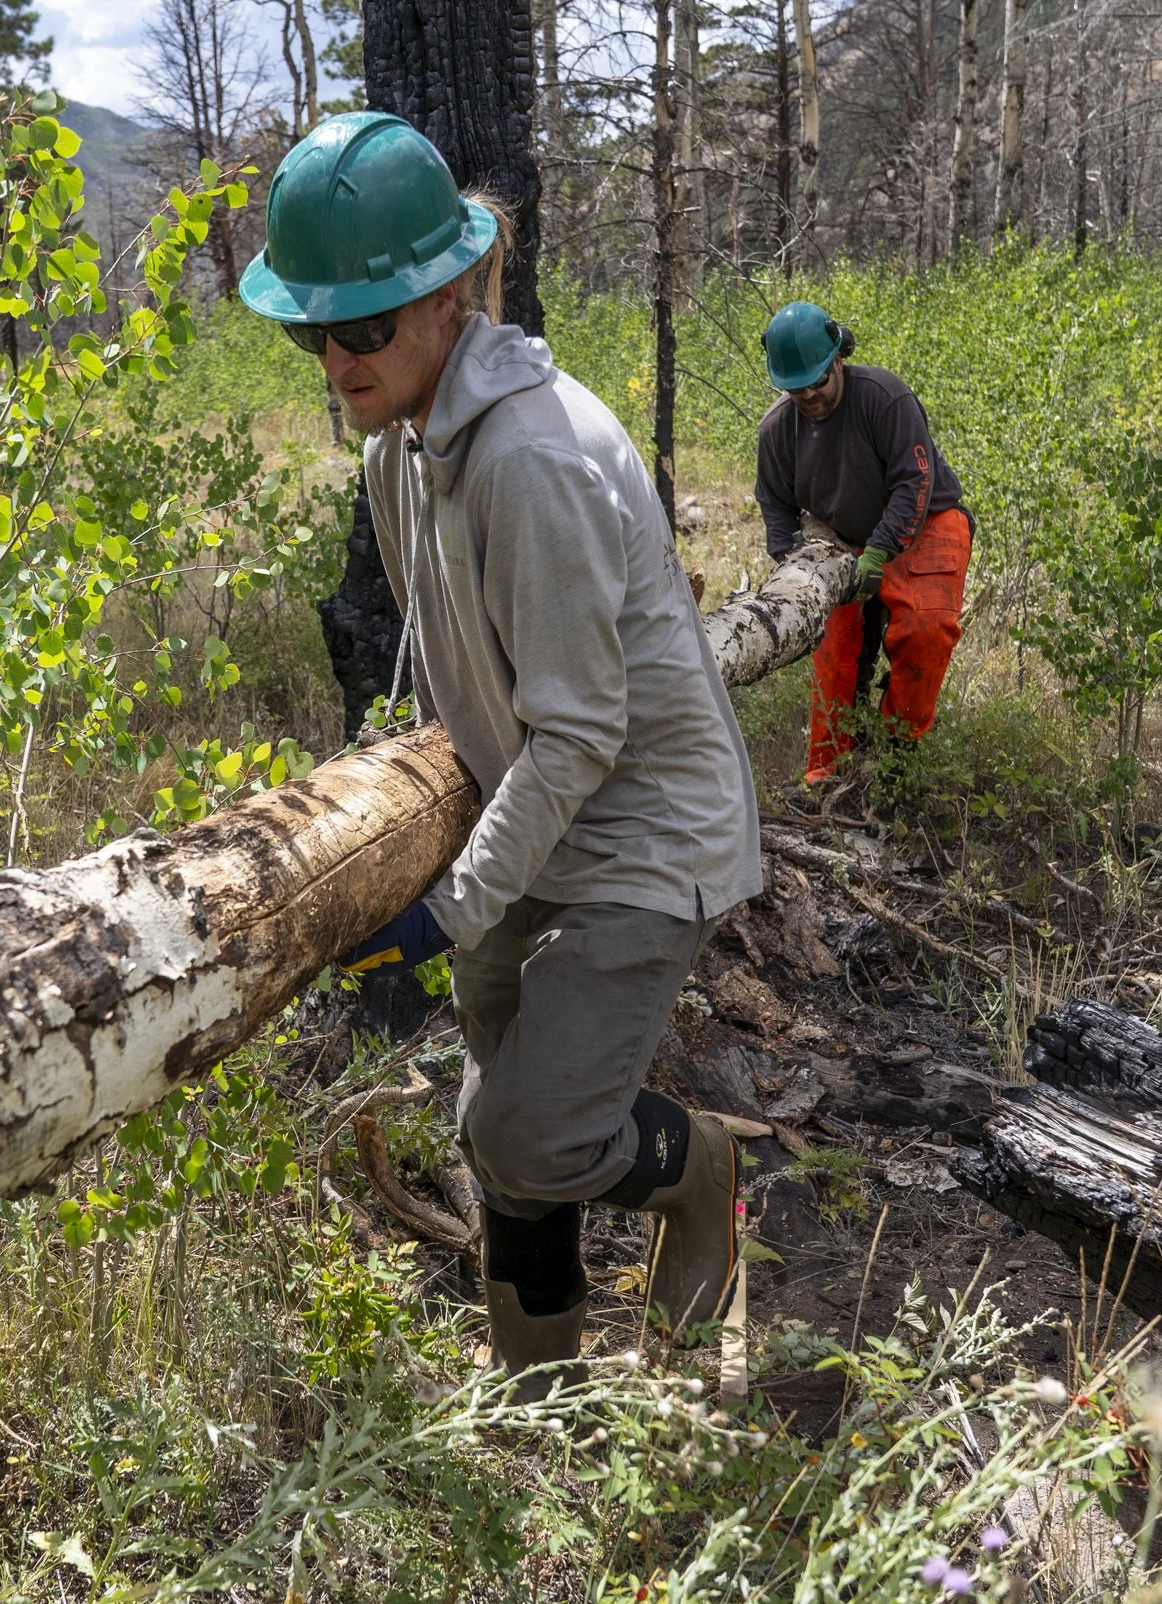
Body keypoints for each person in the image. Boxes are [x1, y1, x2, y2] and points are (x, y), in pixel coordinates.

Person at [239, 112, 763, 1390]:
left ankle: (699, 1166)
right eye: (313, 331)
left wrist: (449, 906)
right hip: (527, 810)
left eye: (366, 326)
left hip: (642, 835)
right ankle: (539, 1395)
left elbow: (581, 728)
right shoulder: (400, 446)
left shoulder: (530, 456)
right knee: (499, 1130)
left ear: (451, 296)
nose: (337, 359)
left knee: (528, 1133)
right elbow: (449, 655)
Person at [753, 302, 972, 784]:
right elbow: (773, 502)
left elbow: (914, 482)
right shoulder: (777, 430)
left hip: (927, 523)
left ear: (837, 359)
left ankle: (897, 754)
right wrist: (791, 566)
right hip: (841, 540)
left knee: (926, 630)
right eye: (796, 388)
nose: (809, 395)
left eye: (817, 381)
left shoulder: (884, 398)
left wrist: (880, 549)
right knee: (834, 653)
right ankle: (828, 773)